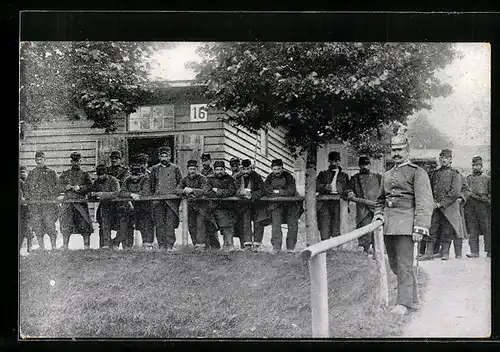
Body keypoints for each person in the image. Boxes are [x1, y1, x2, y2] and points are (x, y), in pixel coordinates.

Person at [373, 135, 433, 315]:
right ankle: (413, 299)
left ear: (408, 151)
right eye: (394, 150)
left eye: (400, 150)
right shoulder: (387, 174)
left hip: (407, 226)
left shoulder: (417, 173)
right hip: (389, 226)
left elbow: (424, 202)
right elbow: (380, 201)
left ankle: (404, 304)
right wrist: (378, 216)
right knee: (395, 265)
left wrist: (419, 227)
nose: (396, 153)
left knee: (405, 265)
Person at [419, 149, 465, 261]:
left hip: (448, 208)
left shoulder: (455, 174)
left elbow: (455, 192)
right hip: (435, 207)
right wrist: (433, 202)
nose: (443, 160)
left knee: (447, 230)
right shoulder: (435, 173)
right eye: (442, 158)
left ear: (450, 160)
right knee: (431, 229)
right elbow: (429, 189)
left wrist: (441, 204)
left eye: (446, 158)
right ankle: (429, 253)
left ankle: (445, 253)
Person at [264, 159, 302, 253]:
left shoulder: (289, 177)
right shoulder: (269, 178)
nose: (277, 171)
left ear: (282, 168)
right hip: (276, 205)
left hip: (291, 205)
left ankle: (291, 247)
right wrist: (282, 193)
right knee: (276, 225)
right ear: (272, 169)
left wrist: (277, 192)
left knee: (292, 225)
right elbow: (267, 190)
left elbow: (291, 191)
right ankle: (276, 247)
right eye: (275, 169)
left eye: (279, 169)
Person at [57, 152, 94, 250]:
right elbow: (58, 186)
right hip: (68, 203)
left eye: (78, 161)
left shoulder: (85, 174)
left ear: (81, 161)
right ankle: (65, 245)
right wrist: (65, 187)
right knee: (66, 223)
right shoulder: (65, 174)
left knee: (84, 223)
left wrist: (80, 188)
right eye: (74, 161)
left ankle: (86, 246)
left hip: (80, 203)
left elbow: (91, 186)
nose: (76, 163)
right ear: (71, 162)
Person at [176, 159, 215, 250]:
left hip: (202, 206)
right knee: (191, 225)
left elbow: (205, 190)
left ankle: (202, 245)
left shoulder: (202, 178)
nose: (192, 171)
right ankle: (195, 245)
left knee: (200, 224)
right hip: (190, 206)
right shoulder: (184, 179)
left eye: (194, 169)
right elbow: (177, 190)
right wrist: (184, 191)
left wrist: (192, 190)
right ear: (187, 170)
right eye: (190, 169)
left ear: (197, 169)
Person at [116, 158, 154, 250]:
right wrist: (131, 195)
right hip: (131, 207)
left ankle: (147, 245)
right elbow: (121, 192)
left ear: (141, 174)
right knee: (129, 226)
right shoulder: (128, 180)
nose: (134, 177)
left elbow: (146, 192)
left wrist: (137, 195)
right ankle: (128, 246)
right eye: (133, 175)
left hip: (145, 207)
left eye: (137, 175)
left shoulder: (146, 179)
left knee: (146, 225)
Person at [24, 151, 59, 251]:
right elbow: (26, 188)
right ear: (35, 160)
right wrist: (29, 198)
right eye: (37, 160)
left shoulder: (52, 173)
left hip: (48, 204)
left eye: (41, 159)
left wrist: (52, 197)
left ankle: (53, 246)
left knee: (50, 224)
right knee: (37, 225)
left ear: (45, 160)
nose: (39, 161)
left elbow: (58, 187)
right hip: (35, 204)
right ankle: (41, 246)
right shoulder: (31, 174)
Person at [149, 146, 182, 251]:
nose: (164, 158)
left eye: (166, 156)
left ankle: (170, 245)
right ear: (159, 157)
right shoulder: (154, 169)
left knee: (170, 224)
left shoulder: (176, 168)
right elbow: (151, 184)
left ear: (170, 156)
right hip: (158, 200)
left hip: (171, 201)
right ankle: (161, 245)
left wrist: (176, 196)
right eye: (162, 156)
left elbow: (180, 183)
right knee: (159, 224)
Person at [347, 156, 382, 253]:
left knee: (377, 227)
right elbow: (348, 188)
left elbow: (384, 189)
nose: (364, 167)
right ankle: (365, 248)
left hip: (376, 207)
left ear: (370, 165)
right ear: (359, 166)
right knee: (364, 226)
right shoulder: (355, 179)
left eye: (366, 164)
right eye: (362, 165)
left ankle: (377, 249)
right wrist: (350, 192)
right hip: (363, 208)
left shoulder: (377, 177)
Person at [316, 151, 353, 240]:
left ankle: (335, 246)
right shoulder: (323, 174)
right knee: (325, 224)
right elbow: (316, 186)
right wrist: (324, 187)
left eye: (336, 161)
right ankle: (324, 246)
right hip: (325, 203)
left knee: (337, 224)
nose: (334, 163)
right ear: (329, 161)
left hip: (338, 203)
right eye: (332, 161)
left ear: (339, 161)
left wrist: (349, 192)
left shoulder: (344, 176)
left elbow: (348, 188)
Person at [234, 159, 269, 251]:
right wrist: (240, 193)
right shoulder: (237, 178)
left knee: (258, 222)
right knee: (246, 222)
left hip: (256, 204)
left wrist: (252, 195)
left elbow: (262, 190)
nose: (246, 171)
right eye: (244, 169)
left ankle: (257, 245)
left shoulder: (257, 177)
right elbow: (233, 190)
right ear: (241, 169)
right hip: (244, 204)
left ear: (251, 168)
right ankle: (247, 244)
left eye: (247, 169)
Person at [204, 160, 237, 251]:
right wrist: (221, 192)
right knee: (212, 226)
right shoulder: (210, 179)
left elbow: (232, 191)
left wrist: (217, 191)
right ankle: (215, 247)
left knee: (227, 227)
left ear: (224, 169)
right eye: (217, 169)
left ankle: (228, 246)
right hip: (213, 207)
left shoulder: (229, 178)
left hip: (226, 207)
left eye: (221, 169)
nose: (219, 172)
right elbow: (207, 191)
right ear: (214, 170)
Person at [464, 156, 491, 258]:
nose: (476, 167)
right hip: (470, 205)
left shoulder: (487, 179)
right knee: (472, 228)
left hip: (483, 206)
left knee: (487, 228)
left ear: (481, 166)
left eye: (478, 165)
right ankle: (474, 251)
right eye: (474, 165)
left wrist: (485, 199)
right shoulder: (468, 178)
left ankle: (490, 251)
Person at [88, 164, 120, 249]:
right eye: (98, 175)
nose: (100, 177)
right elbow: (92, 190)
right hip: (104, 205)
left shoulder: (113, 180)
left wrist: (103, 194)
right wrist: (92, 194)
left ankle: (114, 243)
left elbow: (116, 193)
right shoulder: (97, 181)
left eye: (102, 175)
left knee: (119, 226)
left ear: (106, 174)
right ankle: (104, 244)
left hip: (116, 206)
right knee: (103, 224)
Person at [199, 153, 220, 249]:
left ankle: (215, 247)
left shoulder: (214, 173)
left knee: (213, 225)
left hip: (213, 203)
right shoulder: (200, 173)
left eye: (206, 160)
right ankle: (206, 246)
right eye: (203, 160)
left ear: (210, 161)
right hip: (202, 203)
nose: (205, 162)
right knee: (203, 225)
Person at [19, 166, 33, 253]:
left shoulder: (29, 182)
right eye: (20, 172)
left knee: (28, 228)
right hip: (20, 209)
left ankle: (29, 247)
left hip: (29, 209)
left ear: (27, 172)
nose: (22, 174)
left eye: (23, 172)